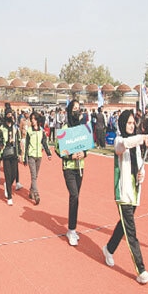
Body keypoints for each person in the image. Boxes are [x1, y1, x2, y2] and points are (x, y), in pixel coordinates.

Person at [102, 109, 148, 285]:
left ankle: (109, 249)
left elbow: (140, 166)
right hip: (123, 193)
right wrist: (142, 137)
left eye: (133, 123)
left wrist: (141, 175)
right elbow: (124, 144)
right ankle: (141, 270)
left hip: (135, 191)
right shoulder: (119, 141)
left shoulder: (137, 146)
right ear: (123, 123)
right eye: (129, 123)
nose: (131, 126)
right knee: (131, 231)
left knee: (123, 225)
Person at [55, 100, 88, 246]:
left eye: (78, 109)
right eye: (74, 109)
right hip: (68, 167)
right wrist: (70, 156)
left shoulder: (82, 128)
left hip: (80, 167)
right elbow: (58, 149)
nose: (77, 111)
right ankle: (72, 229)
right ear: (69, 111)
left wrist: (83, 153)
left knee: (76, 198)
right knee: (74, 195)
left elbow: (86, 146)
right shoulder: (65, 128)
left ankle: (71, 228)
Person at [24, 111, 53, 205]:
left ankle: (31, 191)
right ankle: (36, 194)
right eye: (31, 119)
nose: (32, 121)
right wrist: (25, 157)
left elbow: (44, 142)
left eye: (34, 119)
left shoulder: (41, 131)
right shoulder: (29, 131)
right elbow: (26, 144)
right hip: (31, 155)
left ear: (37, 120)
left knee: (35, 176)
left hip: (39, 156)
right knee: (33, 175)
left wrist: (48, 153)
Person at [0, 116, 21, 206]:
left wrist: (20, 152)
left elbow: (18, 140)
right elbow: (0, 141)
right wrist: (7, 142)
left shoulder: (15, 128)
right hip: (6, 153)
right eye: (8, 114)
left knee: (14, 174)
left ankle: (7, 185)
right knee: (8, 175)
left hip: (14, 153)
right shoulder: (2, 128)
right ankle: (9, 197)